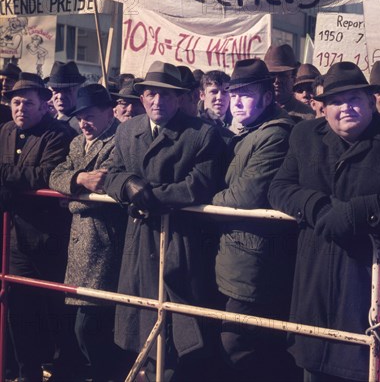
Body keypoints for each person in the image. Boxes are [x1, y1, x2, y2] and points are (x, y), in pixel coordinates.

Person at [268, 61, 380, 382]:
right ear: (323, 107)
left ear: (370, 102)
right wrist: (317, 207)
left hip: (368, 283)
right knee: (314, 365)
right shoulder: (304, 135)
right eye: (336, 101)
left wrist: (353, 214)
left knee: (367, 365)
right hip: (314, 280)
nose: (346, 108)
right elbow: (279, 188)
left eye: (355, 99)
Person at [103, 61, 226, 380]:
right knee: (140, 326)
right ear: (141, 97)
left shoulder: (201, 135)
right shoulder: (128, 130)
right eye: (151, 94)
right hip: (139, 240)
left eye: (165, 95)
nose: (157, 101)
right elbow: (112, 174)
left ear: (180, 98)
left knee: (175, 333)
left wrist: (149, 197)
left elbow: (199, 185)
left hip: (179, 244)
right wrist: (128, 185)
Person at [212, 59, 296, 381]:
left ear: (266, 97)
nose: (237, 101)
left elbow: (246, 195)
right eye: (234, 94)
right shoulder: (249, 132)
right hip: (236, 257)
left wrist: (208, 200)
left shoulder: (275, 134)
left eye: (246, 95)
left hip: (255, 259)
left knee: (237, 344)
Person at [0, 72, 76, 382]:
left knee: (55, 311)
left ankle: (65, 370)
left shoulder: (56, 134)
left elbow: (45, 174)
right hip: (14, 239)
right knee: (18, 311)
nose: (20, 109)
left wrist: (5, 175)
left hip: (47, 239)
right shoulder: (4, 130)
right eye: (16, 103)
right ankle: (25, 373)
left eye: (28, 104)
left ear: (44, 106)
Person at [49, 84, 128, 382]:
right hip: (81, 245)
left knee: (90, 326)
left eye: (90, 116)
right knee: (84, 326)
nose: (84, 123)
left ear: (109, 112)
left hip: (104, 245)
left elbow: (105, 182)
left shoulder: (119, 141)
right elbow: (55, 175)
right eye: (80, 116)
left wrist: (70, 197)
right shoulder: (77, 144)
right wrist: (79, 178)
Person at [264, 44, 314, 122]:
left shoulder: (309, 116)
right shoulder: (254, 112)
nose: (277, 81)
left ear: (294, 78)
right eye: (272, 75)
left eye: (282, 76)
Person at [45, 61, 86, 134]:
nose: (60, 96)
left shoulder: (81, 125)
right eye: (56, 90)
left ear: (78, 91)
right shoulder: (50, 120)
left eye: (67, 90)